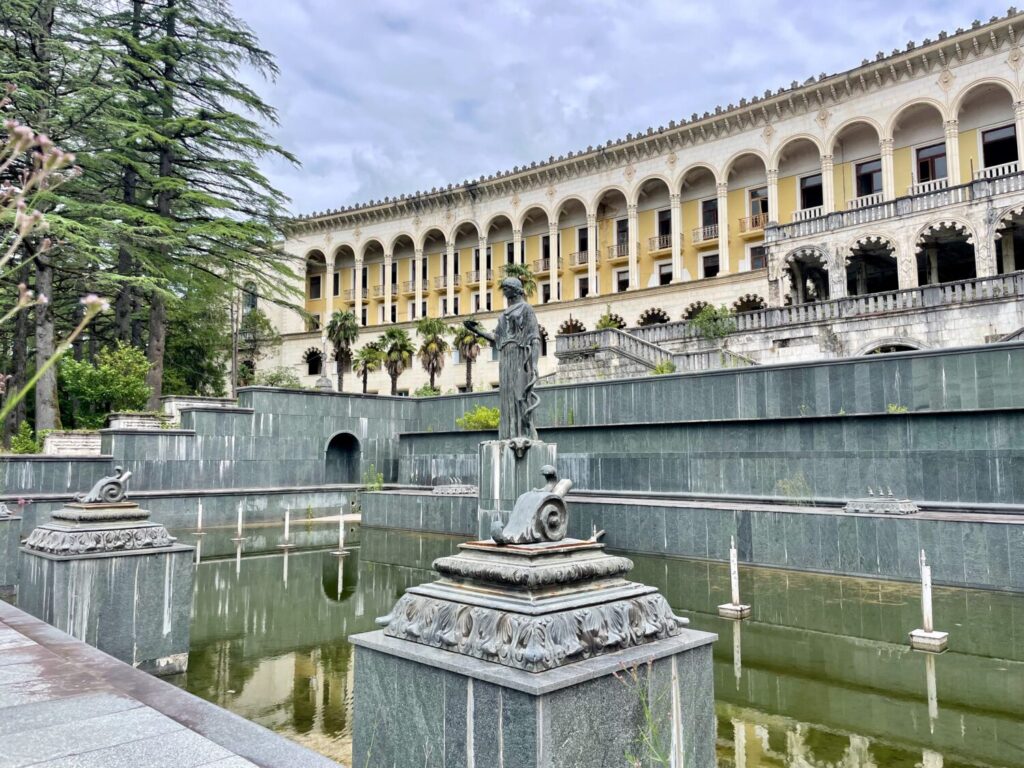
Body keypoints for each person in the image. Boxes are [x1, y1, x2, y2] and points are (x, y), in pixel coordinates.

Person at [464, 277, 540, 440]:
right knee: (507, 397)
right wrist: (476, 330)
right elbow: (496, 337)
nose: (503, 291)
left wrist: (534, 365)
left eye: (506, 287)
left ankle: (523, 433)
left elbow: (535, 337)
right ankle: (508, 434)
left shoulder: (526, 309)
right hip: (505, 358)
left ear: (515, 289)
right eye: (503, 288)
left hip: (520, 357)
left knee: (520, 395)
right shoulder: (503, 314)